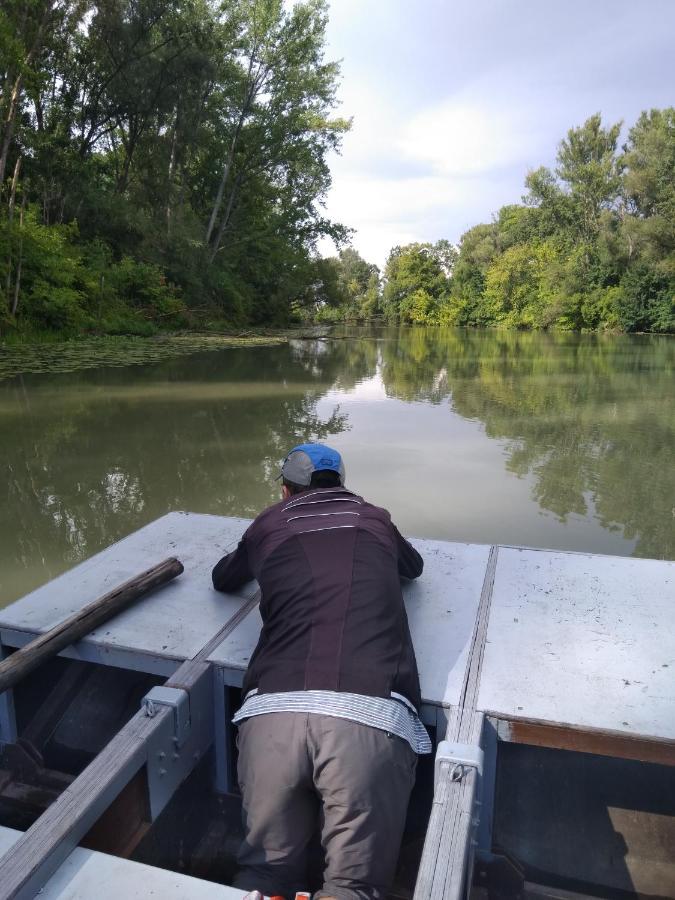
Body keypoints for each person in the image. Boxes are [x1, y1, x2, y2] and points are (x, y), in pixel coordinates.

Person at [212, 443, 430, 900]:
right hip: (369, 716)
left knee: (264, 879)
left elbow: (223, 578)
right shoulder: (374, 519)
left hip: (273, 714)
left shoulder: (270, 522)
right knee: (352, 888)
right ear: (342, 483)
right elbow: (415, 568)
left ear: (285, 489)